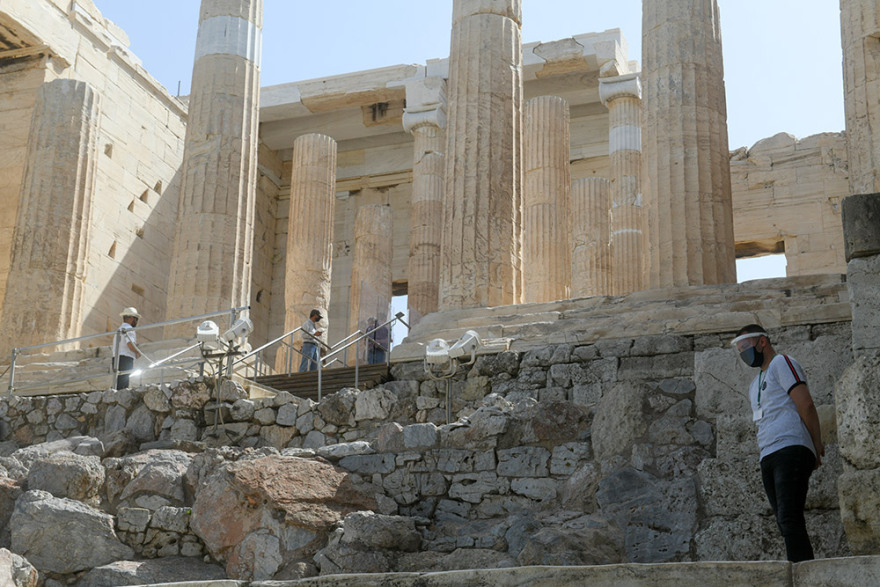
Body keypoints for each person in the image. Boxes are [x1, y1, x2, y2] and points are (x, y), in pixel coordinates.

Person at [732, 324, 825, 562]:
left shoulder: (782, 363)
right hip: (769, 454)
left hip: (791, 446)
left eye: (746, 346)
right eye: (740, 349)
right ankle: (801, 568)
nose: (744, 352)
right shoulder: (755, 384)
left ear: (762, 342)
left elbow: (806, 404)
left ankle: (802, 573)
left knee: (789, 518)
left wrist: (816, 445)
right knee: (785, 521)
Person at [113, 307, 141, 390]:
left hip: (116, 358)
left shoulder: (119, 329)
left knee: (118, 382)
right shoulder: (129, 328)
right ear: (131, 318)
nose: (137, 322)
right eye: (136, 319)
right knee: (123, 384)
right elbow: (130, 344)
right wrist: (137, 352)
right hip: (125, 358)